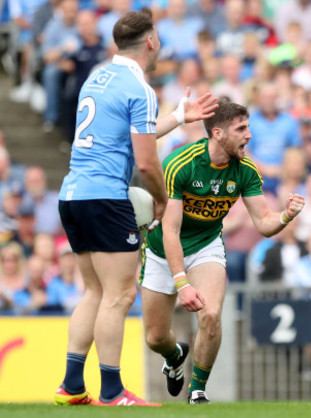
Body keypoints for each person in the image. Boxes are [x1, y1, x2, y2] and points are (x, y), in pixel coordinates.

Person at [55, 8, 218, 407]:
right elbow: (145, 161)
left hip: (73, 195)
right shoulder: (139, 88)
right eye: (158, 36)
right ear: (149, 41)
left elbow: (131, 132)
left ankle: (72, 387)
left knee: (95, 291)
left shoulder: (97, 77)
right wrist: (161, 201)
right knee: (119, 295)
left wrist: (179, 117)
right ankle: (112, 390)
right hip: (106, 198)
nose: (159, 42)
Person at [140, 99, 305, 405]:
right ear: (217, 133)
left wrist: (286, 215)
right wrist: (181, 283)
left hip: (206, 244)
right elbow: (170, 230)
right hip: (164, 249)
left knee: (211, 314)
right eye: (241, 128)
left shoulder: (245, 170)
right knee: (155, 338)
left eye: (249, 127)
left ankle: (197, 391)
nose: (249, 135)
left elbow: (264, 223)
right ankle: (175, 356)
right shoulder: (180, 163)